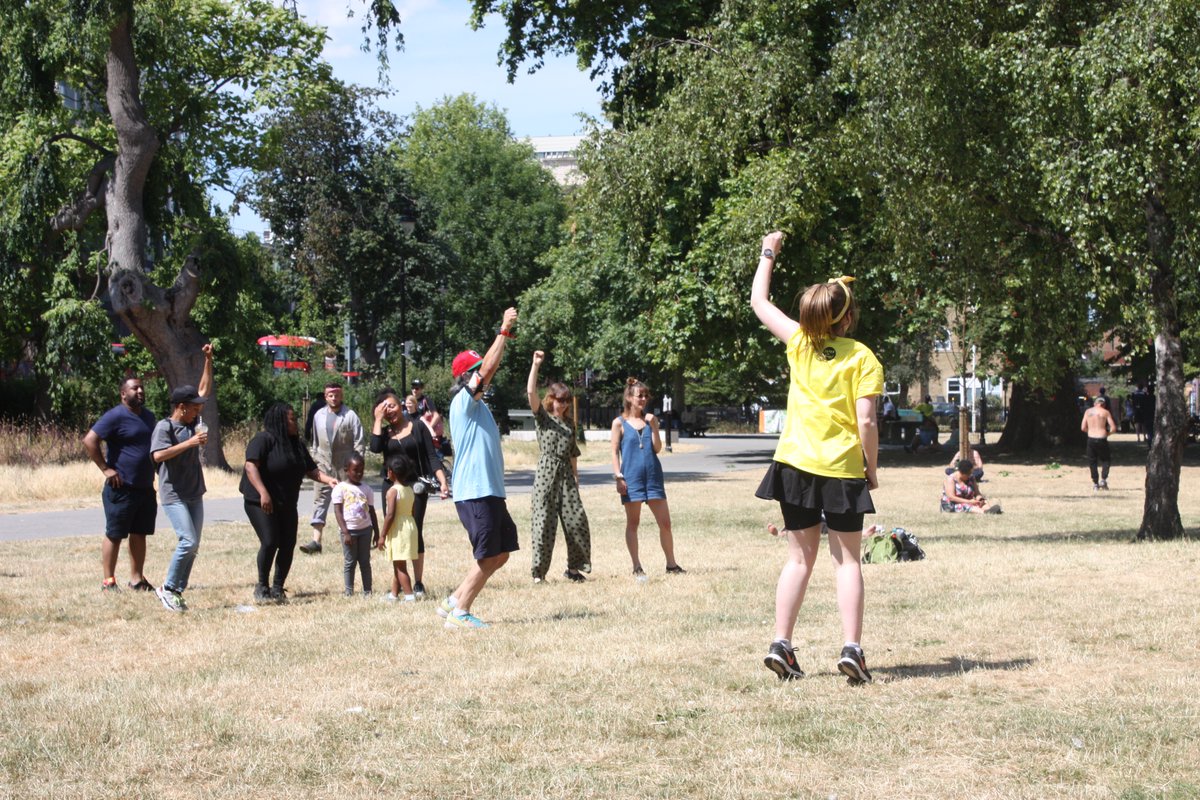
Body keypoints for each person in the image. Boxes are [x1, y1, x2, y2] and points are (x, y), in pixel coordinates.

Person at [750, 230, 880, 685]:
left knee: (798, 560)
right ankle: (852, 649)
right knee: (847, 561)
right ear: (848, 318)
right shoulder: (863, 357)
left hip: (795, 465)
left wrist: (769, 251)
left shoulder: (799, 343)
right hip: (841, 470)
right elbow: (866, 423)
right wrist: (872, 469)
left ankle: (781, 644)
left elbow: (760, 302)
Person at [436, 308, 520, 629]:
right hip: (475, 491)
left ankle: (453, 601)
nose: (484, 376)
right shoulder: (463, 401)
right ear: (465, 377)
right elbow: (486, 369)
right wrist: (504, 331)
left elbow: (487, 369)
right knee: (487, 556)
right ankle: (460, 614)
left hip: (490, 492)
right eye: (475, 372)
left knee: (501, 553)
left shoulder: (478, 405)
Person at [241, 402, 338, 602]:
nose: (296, 423)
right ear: (281, 421)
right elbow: (251, 467)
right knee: (270, 541)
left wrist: (329, 480)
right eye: (292, 419)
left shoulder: (296, 444)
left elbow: (311, 470)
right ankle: (262, 587)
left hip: (286, 502)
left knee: (287, 543)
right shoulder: (263, 440)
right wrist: (263, 493)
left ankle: (277, 587)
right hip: (260, 501)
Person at [149, 344, 214, 612]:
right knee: (187, 540)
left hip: (193, 492)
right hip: (173, 494)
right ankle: (167, 588)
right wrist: (189, 444)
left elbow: (204, 389)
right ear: (180, 407)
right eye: (194, 407)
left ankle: (176, 591)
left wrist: (208, 360)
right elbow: (157, 456)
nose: (199, 409)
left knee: (194, 545)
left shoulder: (190, 423)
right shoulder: (165, 427)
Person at [369, 388, 450, 599]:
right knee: (395, 533)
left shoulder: (418, 426)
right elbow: (375, 448)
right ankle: (400, 583)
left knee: (414, 531)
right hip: (392, 487)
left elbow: (432, 456)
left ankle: (418, 582)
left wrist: (442, 481)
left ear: (401, 405)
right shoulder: (384, 433)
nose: (390, 411)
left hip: (415, 488)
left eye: (393, 406)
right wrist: (378, 419)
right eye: (385, 409)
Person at [83, 374, 158, 592]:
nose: (140, 391)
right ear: (123, 393)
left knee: (139, 532)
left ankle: (137, 580)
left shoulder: (149, 417)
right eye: (135, 388)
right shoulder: (115, 416)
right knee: (115, 534)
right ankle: (108, 581)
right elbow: (89, 440)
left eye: (142, 388)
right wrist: (106, 468)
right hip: (121, 488)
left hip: (144, 486)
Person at [527, 350, 591, 584]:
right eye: (559, 399)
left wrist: (576, 477)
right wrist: (536, 365)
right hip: (546, 472)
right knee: (544, 523)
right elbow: (531, 392)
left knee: (576, 520)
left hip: (566, 474)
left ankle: (574, 569)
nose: (563, 404)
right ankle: (539, 574)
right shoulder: (542, 417)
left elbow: (573, 453)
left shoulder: (570, 424)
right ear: (551, 398)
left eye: (566, 400)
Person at [612, 377, 684, 579]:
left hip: (653, 477)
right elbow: (614, 452)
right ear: (629, 397)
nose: (643, 399)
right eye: (639, 395)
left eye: (645, 396)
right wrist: (619, 476)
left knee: (665, 523)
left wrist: (654, 427)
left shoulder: (650, 420)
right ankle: (636, 566)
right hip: (631, 478)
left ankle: (671, 564)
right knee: (633, 523)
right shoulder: (619, 423)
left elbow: (657, 448)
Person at [299, 382, 365, 555]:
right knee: (320, 499)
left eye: (336, 395)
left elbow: (359, 442)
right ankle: (316, 541)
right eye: (330, 395)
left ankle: (348, 536)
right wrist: (315, 458)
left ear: (341, 396)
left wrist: (357, 465)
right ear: (325, 396)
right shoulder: (318, 415)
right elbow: (314, 440)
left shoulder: (350, 416)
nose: (333, 398)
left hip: (345, 466)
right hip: (323, 465)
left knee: (347, 502)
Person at [332, 453, 378, 596]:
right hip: (349, 532)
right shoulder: (340, 488)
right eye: (355, 470)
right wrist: (346, 532)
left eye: (361, 470)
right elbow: (338, 512)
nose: (359, 473)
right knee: (350, 562)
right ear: (346, 470)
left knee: (365, 562)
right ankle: (349, 591)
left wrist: (376, 531)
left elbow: (372, 511)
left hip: (365, 530)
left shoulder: (367, 489)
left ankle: (367, 590)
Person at [379, 455, 420, 602]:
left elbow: (390, 515)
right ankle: (393, 594)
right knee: (398, 562)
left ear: (391, 472)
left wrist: (382, 535)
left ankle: (409, 596)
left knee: (400, 566)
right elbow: (413, 511)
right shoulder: (409, 490)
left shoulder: (392, 491)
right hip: (409, 526)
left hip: (398, 530)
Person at [1081, 395, 1116, 491]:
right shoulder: (1105, 412)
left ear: (1094, 403)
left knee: (1092, 461)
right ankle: (1103, 479)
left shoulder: (1088, 412)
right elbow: (1113, 428)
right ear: (1103, 404)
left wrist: (1090, 431)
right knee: (1106, 459)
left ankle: (1095, 483)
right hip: (1101, 438)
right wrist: (1107, 433)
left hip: (1091, 438)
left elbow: (1083, 428)